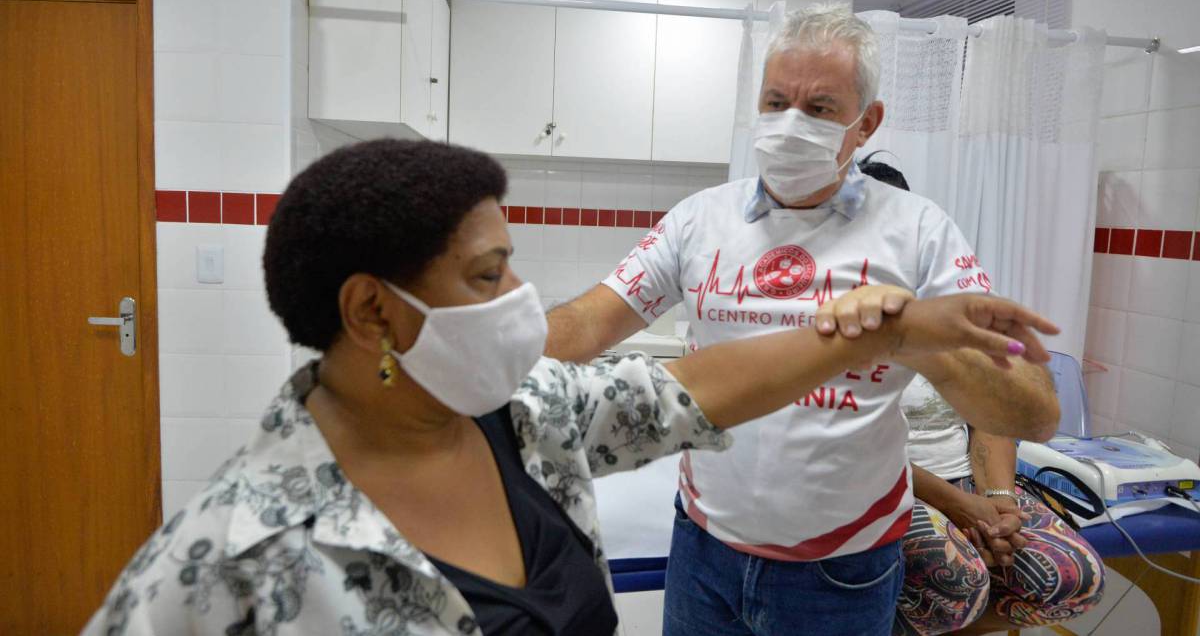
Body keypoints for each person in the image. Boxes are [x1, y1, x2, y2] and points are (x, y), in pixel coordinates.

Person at [82, 138, 1058, 636]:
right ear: (374, 314)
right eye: (487, 275)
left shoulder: (529, 417)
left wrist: (887, 325)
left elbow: (702, 385)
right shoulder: (230, 553)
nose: (520, 300)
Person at [544, 5, 1062, 636]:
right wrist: (474, 350)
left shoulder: (919, 231)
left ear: (865, 122)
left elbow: (1032, 413)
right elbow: (586, 325)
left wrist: (907, 333)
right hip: (704, 548)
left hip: (841, 570)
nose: (790, 125)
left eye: (819, 108)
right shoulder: (699, 220)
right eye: (776, 101)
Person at [856, 156, 1105, 636]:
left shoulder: (951, 313)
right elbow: (851, 450)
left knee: (1076, 578)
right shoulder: (835, 326)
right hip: (889, 491)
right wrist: (958, 506)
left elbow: (992, 417)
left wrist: (1001, 501)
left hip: (969, 485)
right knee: (961, 582)